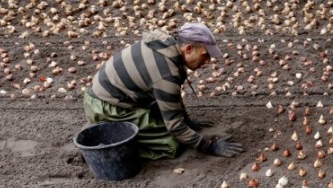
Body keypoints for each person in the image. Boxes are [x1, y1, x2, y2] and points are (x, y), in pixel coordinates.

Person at [83, 23, 243, 159]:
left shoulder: (167, 45)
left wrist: (188, 121)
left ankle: (112, 125)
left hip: (111, 95)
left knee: (170, 123)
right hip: (105, 107)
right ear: (188, 49)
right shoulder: (166, 73)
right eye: (205, 56)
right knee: (172, 143)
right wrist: (209, 147)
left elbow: (172, 97)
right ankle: (106, 147)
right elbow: (175, 126)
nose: (207, 61)